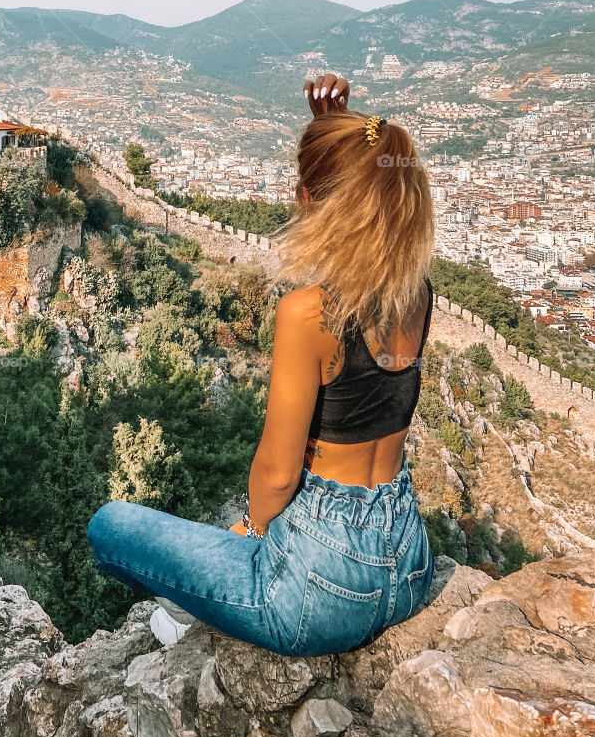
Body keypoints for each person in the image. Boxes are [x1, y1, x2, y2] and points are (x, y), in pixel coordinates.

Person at [87, 72, 436, 656]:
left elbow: (276, 475)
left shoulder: (309, 315)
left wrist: (249, 531)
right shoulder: (416, 292)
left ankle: (200, 616)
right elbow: (374, 165)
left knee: (109, 526)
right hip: (408, 563)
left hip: (320, 591)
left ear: (314, 204)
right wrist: (334, 126)